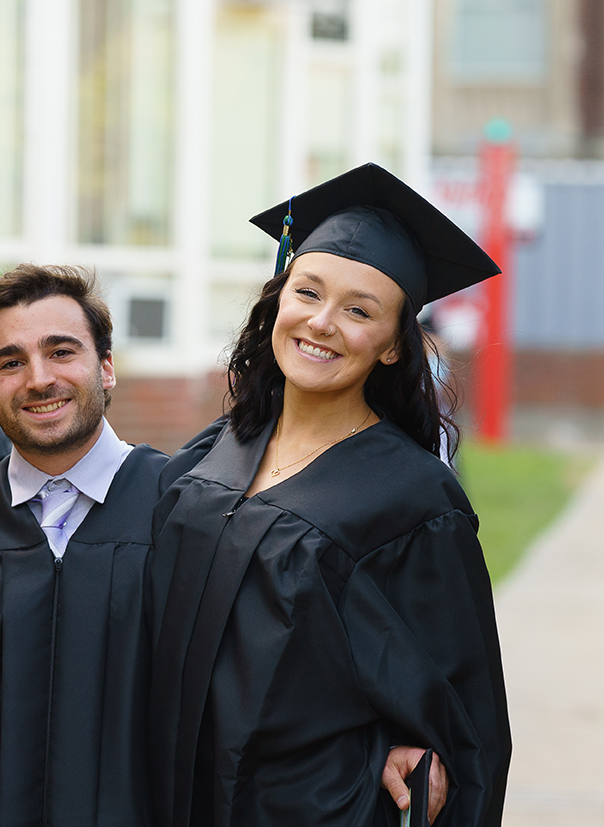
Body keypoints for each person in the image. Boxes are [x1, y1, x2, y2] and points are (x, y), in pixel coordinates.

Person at [148, 163, 511, 826]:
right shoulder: (214, 450)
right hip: (177, 793)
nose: (320, 322)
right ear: (277, 299)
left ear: (393, 349)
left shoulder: (413, 498)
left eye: (358, 310)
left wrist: (420, 756)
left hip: (315, 809)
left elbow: (462, 714)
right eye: (307, 292)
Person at [0, 264, 168, 825]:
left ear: (107, 368)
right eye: (10, 363)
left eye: (62, 351)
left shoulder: (185, 511)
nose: (38, 379)